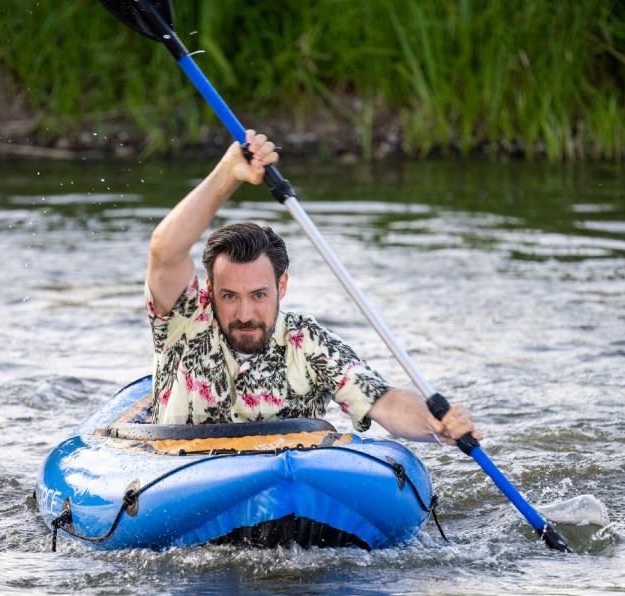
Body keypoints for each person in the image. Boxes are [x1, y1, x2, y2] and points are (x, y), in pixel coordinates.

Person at [144, 131, 479, 445]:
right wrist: (228, 175)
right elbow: (165, 252)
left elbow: (383, 401)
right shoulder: (185, 319)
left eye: (259, 295)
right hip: (180, 476)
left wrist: (437, 426)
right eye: (229, 296)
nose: (245, 314)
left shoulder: (307, 342)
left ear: (282, 285)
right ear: (209, 289)